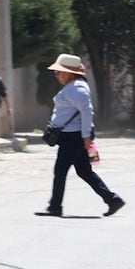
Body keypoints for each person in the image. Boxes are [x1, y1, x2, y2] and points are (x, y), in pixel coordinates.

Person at [35, 53, 125, 217]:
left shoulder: (77, 88)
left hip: (74, 137)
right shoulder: (73, 86)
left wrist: (85, 137)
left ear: (70, 72)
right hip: (73, 136)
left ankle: (55, 207)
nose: (56, 75)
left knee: (60, 171)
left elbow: (87, 112)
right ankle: (112, 200)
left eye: (59, 72)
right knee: (84, 171)